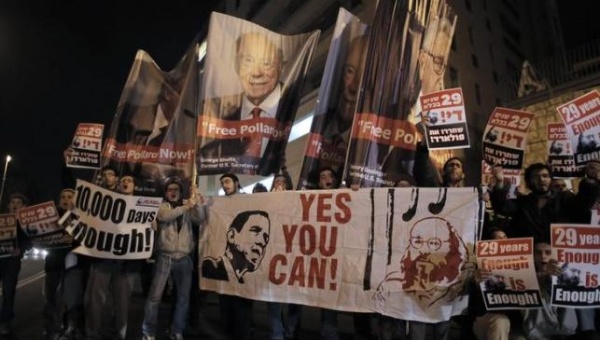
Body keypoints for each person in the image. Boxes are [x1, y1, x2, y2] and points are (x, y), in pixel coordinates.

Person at [199, 32, 291, 176]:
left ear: (281, 67)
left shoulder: (292, 104)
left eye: (266, 63)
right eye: (248, 61)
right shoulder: (218, 115)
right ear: (236, 65)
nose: (256, 73)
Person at [142, 179, 208, 340]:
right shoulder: (163, 206)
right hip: (165, 257)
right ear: (166, 193)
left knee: (183, 299)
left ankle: (177, 331)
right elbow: (164, 217)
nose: (173, 191)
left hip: (184, 258)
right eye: (170, 189)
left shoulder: (187, 206)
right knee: (154, 298)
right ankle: (148, 332)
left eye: (176, 189)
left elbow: (200, 219)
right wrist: (186, 206)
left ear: (180, 191)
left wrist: (196, 201)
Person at [84, 174, 142, 340]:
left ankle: (119, 334)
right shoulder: (105, 202)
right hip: (103, 260)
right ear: (118, 185)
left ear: (135, 187)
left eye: (130, 180)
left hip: (126, 264)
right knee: (95, 301)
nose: (125, 182)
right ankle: (92, 333)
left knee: (122, 303)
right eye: (122, 180)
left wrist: (151, 224)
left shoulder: (141, 207)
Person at [200, 173, 254, 340]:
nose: (225, 184)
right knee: (226, 303)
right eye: (222, 182)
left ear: (236, 183)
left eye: (228, 181)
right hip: (225, 259)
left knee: (242, 305)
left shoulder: (249, 200)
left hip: (243, 263)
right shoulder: (219, 203)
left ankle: (242, 334)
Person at [0, 193, 31, 336]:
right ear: (8, 205)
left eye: (19, 202)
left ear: (24, 207)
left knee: (8, 292)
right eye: (13, 202)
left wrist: (21, 249)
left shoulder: (26, 224)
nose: (15, 204)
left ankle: (5, 322)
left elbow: (31, 242)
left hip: (12, 262)